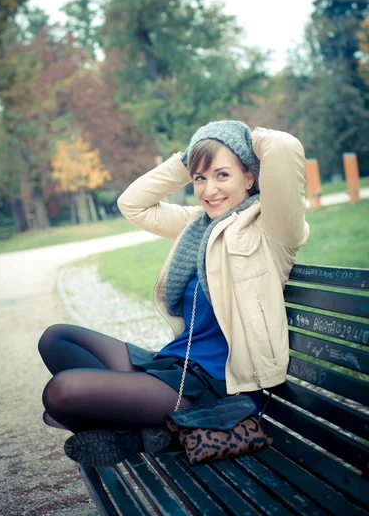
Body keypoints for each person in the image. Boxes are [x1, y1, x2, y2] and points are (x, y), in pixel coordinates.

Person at [38, 120, 309, 467]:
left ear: (250, 177)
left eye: (222, 175)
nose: (209, 189)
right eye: (200, 178)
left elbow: (285, 149)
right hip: (173, 365)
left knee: (61, 394)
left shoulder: (271, 231)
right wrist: (189, 157)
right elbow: (132, 204)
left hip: (213, 387)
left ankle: (149, 426)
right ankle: (144, 430)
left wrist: (237, 138)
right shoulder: (197, 225)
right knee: (55, 338)